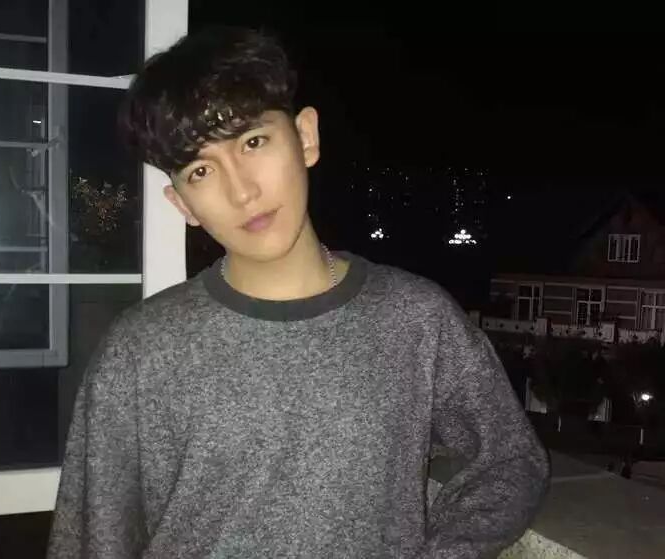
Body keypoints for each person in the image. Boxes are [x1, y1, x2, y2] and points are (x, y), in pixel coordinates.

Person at [46, 26, 550, 559]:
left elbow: (510, 460)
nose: (242, 191)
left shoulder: (416, 320)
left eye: (253, 142)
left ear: (305, 136)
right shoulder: (140, 351)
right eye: (201, 170)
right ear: (183, 204)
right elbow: (91, 540)